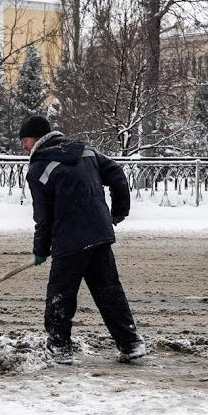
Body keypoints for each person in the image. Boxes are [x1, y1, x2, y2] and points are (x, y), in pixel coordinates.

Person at [19, 115, 146, 363]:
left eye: (25, 140)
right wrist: (118, 212)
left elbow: (42, 217)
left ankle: (60, 349)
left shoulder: (38, 169)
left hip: (69, 242)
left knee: (60, 297)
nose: (23, 146)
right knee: (109, 293)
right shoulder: (86, 151)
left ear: (36, 139)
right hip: (99, 235)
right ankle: (130, 344)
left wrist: (41, 249)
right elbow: (117, 174)